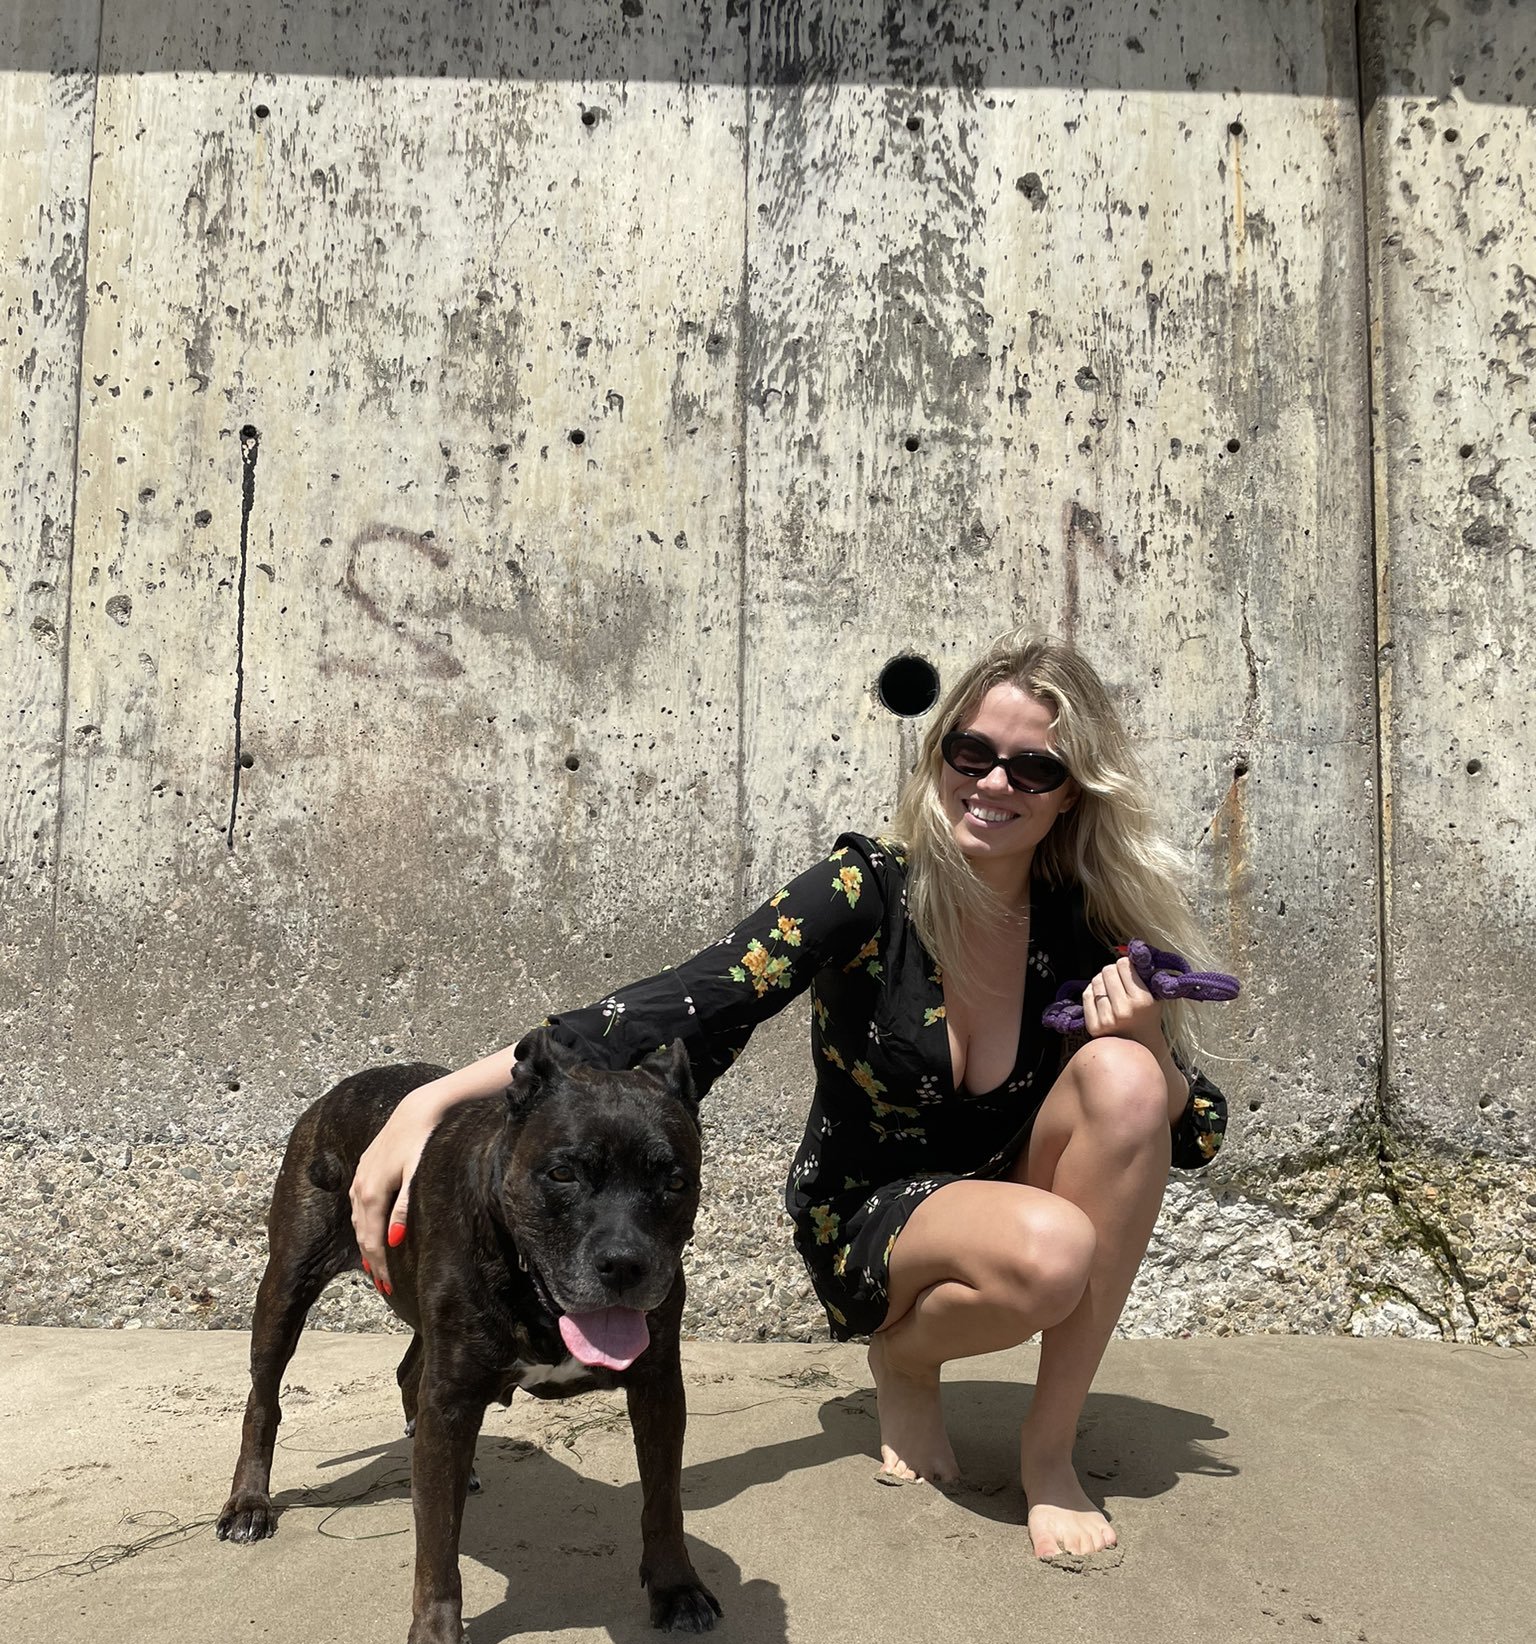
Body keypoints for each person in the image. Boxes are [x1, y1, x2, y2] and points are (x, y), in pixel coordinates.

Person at [350, 634, 1229, 1561]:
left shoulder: (1085, 924)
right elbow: (673, 1004)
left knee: (1129, 1080)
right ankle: (905, 1358)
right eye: (970, 752)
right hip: (869, 1213)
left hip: (1006, 1194)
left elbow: (1195, 1130)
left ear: (1072, 791)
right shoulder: (865, 890)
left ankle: (1048, 1453)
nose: (994, 783)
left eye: (1034, 767)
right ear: (939, 756)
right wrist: (426, 1104)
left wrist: (1144, 1040)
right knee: (1054, 1252)